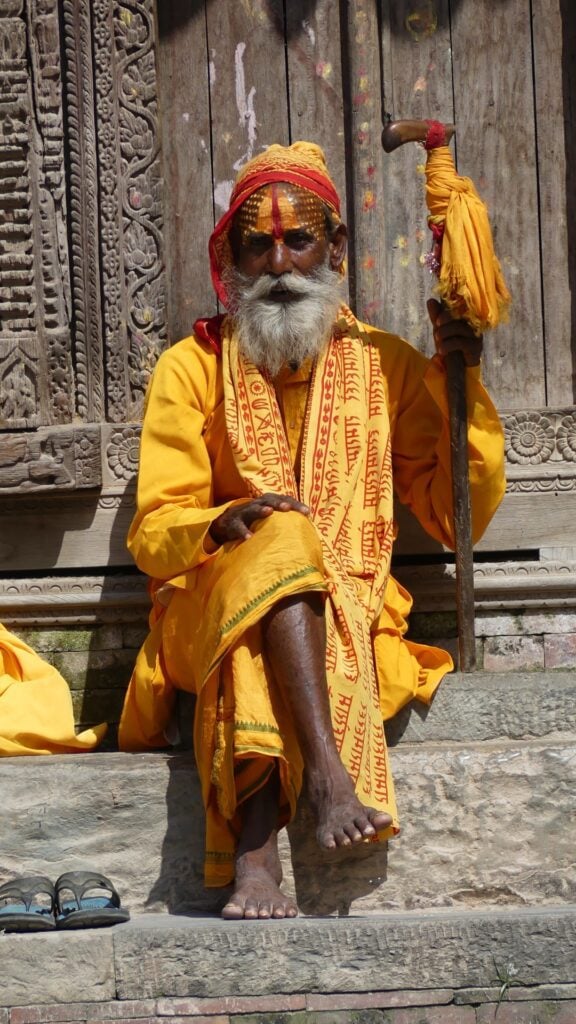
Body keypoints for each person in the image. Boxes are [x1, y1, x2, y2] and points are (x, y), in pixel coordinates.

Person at [119, 141, 505, 920]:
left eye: (299, 240)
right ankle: (328, 779)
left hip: (352, 612)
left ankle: (255, 860)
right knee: (280, 545)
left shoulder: (388, 365)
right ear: (231, 258)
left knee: (278, 597)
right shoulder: (190, 369)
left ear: (334, 248)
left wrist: (462, 383)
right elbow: (156, 529)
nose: (280, 262)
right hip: (208, 613)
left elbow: (449, 510)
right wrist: (223, 521)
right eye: (258, 244)